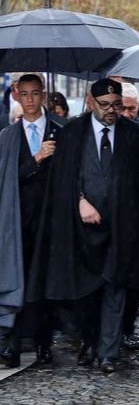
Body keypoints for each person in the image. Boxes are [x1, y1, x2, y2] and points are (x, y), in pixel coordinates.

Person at [26, 78, 139, 373]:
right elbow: (63, 179)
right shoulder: (72, 133)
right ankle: (91, 340)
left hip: (120, 226)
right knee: (85, 292)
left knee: (115, 287)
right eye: (105, 105)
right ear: (91, 102)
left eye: (116, 105)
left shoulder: (134, 134)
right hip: (80, 229)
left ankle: (109, 351)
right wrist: (79, 200)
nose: (111, 111)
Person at [0, 74, 60, 368]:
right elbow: (6, 178)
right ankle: (12, 344)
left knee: (45, 283)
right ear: (16, 96)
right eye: (24, 94)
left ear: (43, 94)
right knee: (16, 279)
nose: (30, 100)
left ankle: (43, 343)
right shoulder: (7, 137)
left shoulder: (61, 131)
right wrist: (36, 158)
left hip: (50, 221)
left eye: (35, 94)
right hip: (17, 220)